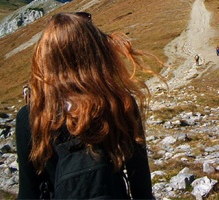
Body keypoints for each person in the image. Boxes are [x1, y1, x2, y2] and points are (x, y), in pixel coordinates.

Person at [15, 12, 155, 199]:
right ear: (96, 54)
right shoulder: (119, 104)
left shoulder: (31, 116)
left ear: (46, 58)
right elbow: (141, 184)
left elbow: (28, 191)